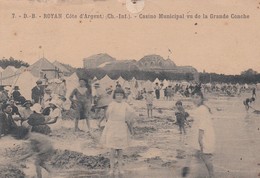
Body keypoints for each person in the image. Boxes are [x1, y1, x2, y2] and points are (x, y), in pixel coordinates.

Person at [100, 87, 136, 175]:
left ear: (123, 96)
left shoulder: (125, 104)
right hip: (113, 127)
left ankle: (120, 168)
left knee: (120, 149)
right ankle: (112, 168)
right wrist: (110, 123)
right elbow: (108, 114)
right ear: (115, 96)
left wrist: (130, 123)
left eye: (121, 95)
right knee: (112, 149)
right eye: (117, 95)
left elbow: (132, 113)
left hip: (122, 127)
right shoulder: (112, 104)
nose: (119, 97)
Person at [183, 92, 215, 178]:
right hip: (199, 133)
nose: (194, 99)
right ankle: (186, 171)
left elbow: (202, 124)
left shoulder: (202, 109)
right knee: (193, 152)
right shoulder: (200, 108)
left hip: (203, 134)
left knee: (205, 156)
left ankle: (212, 175)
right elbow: (195, 116)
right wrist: (187, 114)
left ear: (201, 98)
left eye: (197, 97)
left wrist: (200, 139)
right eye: (193, 97)